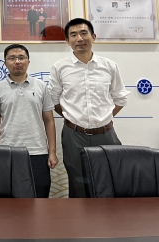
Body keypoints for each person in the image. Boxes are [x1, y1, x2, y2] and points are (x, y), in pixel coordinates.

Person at [48, 18, 129, 198]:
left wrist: (104, 118)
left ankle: (109, 216)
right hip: (74, 135)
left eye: (84, 33)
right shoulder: (60, 68)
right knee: (78, 183)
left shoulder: (109, 66)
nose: (79, 38)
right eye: (73, 35)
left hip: (106, 134)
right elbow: (54, 100)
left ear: (93, 37)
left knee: (111, 179)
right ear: (67, 41)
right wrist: (72, 118)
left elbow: (120, 98)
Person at [0, 44, 58, 198]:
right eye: (12, 58)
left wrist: (52, 152)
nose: (17, 61)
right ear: (5, 63)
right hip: (8, 152)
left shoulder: (41, 87)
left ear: (28, 61)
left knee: (40, 197)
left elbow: (49, 121)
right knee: (9, 199)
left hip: (37, 151)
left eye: (21, 57)